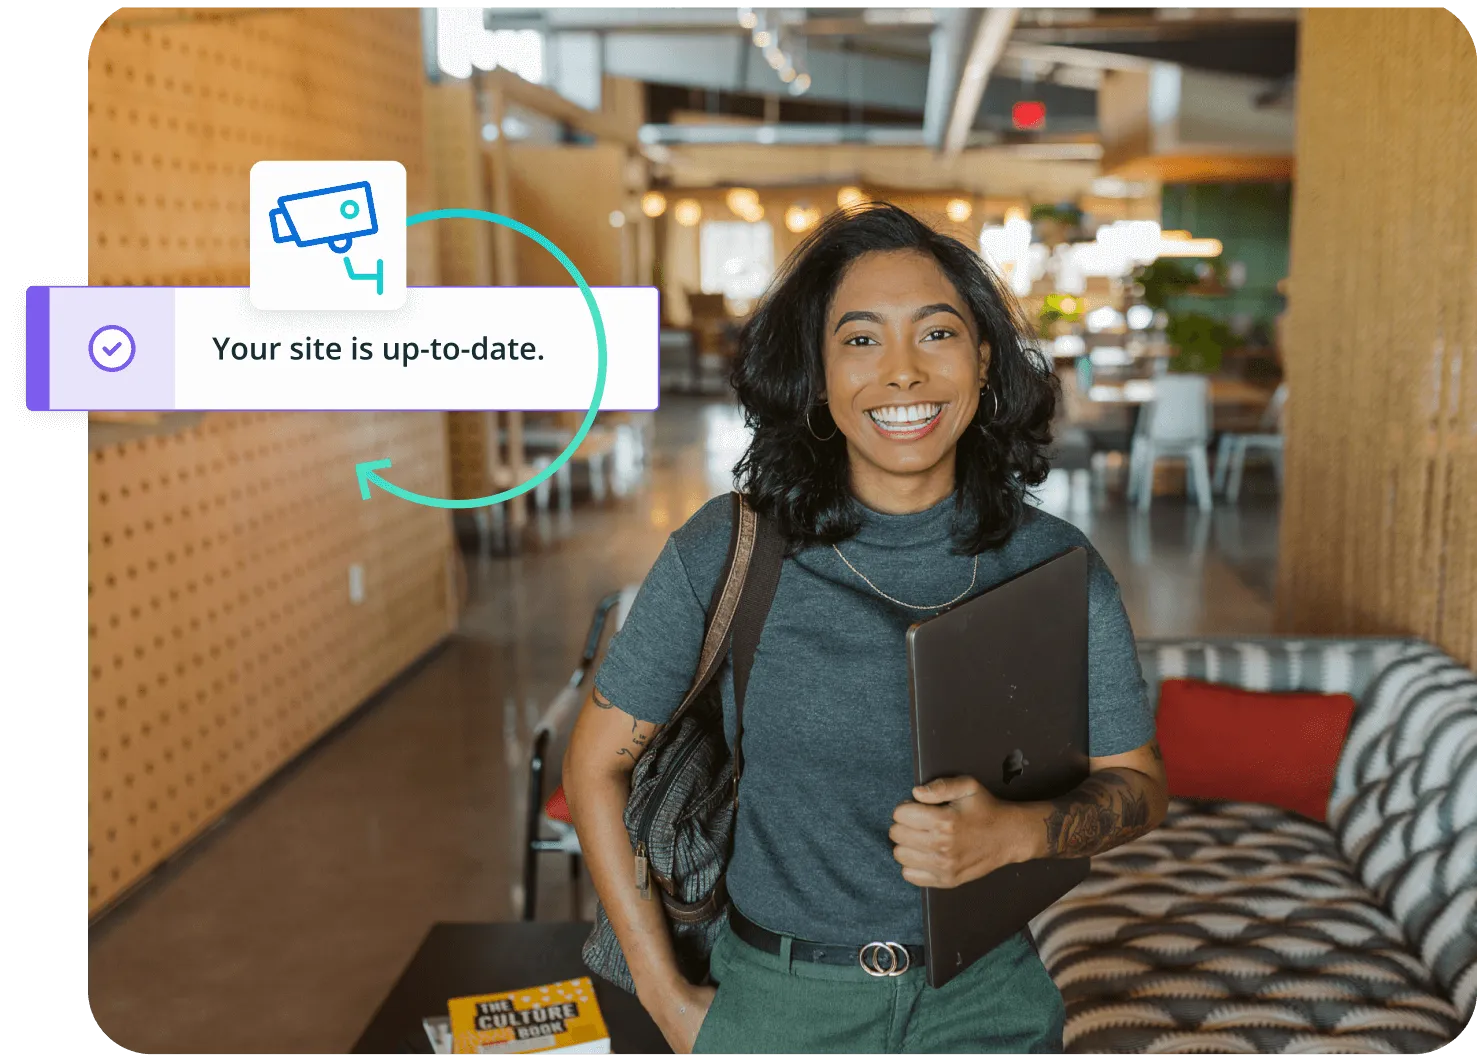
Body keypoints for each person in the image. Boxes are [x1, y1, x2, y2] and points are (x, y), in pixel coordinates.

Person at [564, 203, 1168, 1055]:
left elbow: (1138, 784)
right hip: (778, 1002)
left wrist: (1015, 832)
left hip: (985, 999)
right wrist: (667, 1001)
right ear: (815, 374)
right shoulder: (730, 549)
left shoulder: (1055, 567)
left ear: (983, 359)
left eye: (935, 334)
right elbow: (596, 763)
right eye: (858, 340)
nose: (902, 374)